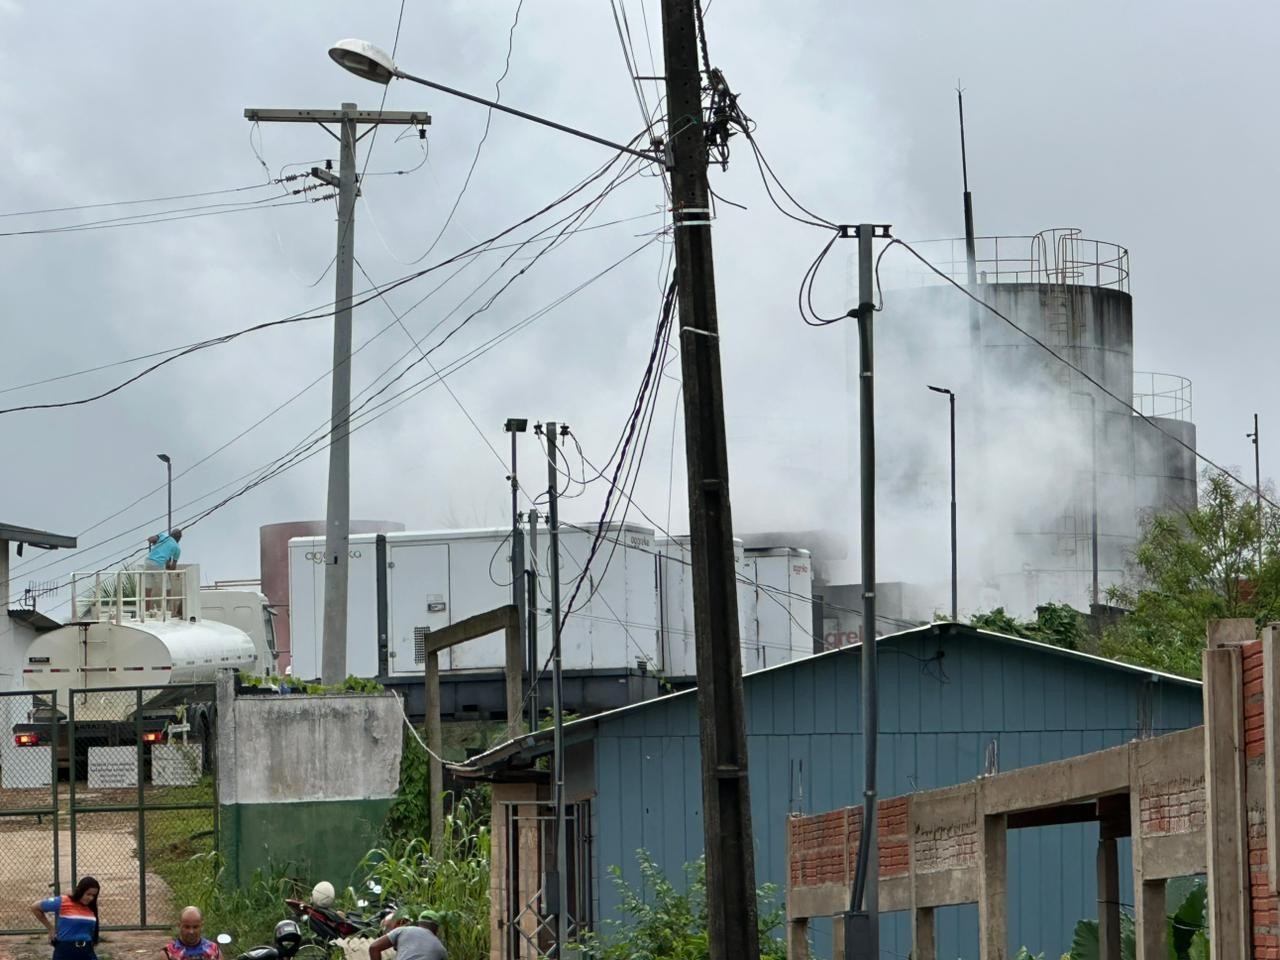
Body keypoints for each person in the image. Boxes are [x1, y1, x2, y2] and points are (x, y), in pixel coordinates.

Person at [30, 876, 101, 960]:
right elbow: (35, 907)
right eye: (88, 894)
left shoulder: (91, 908)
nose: (91, 898)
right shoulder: (63, 901)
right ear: (80, 891)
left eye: (94, 895)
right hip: (65, 950)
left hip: (86, 951)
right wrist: (50, 929)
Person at [367, 909, 446, 960]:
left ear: (419, 923)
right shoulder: (441, 950)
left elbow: (374, 947)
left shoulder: (403, 930)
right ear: (436, 928)